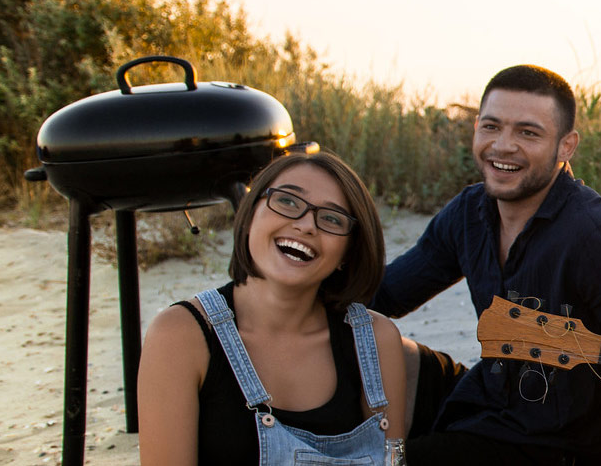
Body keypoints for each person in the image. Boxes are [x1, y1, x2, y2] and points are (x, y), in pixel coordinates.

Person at [369, 65, 601, 464]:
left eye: (528, 132)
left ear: (566, 146)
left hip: (546, 446)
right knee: (355, 341)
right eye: (491, 127)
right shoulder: (469, 213)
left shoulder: (598, 238)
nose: (502, 146)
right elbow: (385, 295)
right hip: (479, 399)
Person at [138, 151, 409, 465]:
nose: (307, 225)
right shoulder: (180, 336)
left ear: (348, 252)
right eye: (288, 202)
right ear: (251, 215)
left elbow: (394, 458)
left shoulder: (376, 340)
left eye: (332, 219)